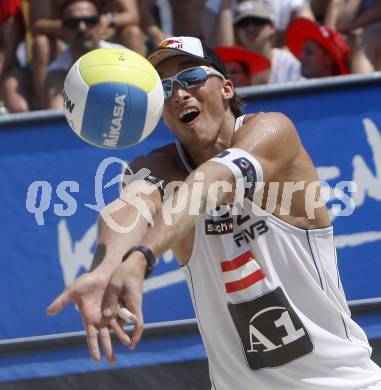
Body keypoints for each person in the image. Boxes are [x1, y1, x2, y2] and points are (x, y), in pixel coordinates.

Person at [47, 35, 381, 388]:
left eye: (191, 78)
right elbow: (131, 205)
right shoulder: (158, 166)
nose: (179, 93)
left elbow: (211, 181)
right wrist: (105, 267)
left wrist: (141, 257)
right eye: (165, 88)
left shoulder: (271, 131)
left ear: (226, 88)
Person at [44, 0, 125, 109]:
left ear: (100, 24)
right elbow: (58, 117)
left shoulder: (125, 58)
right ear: (63, 31)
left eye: (90, 21)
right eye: (73, 23)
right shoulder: (57, 72)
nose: (82, 28)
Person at [286, 17, 350, 78]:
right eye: (302, 51)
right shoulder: (294, 86)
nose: (301, 57)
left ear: (328, 59)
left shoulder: (344, 89)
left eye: (309, 52)